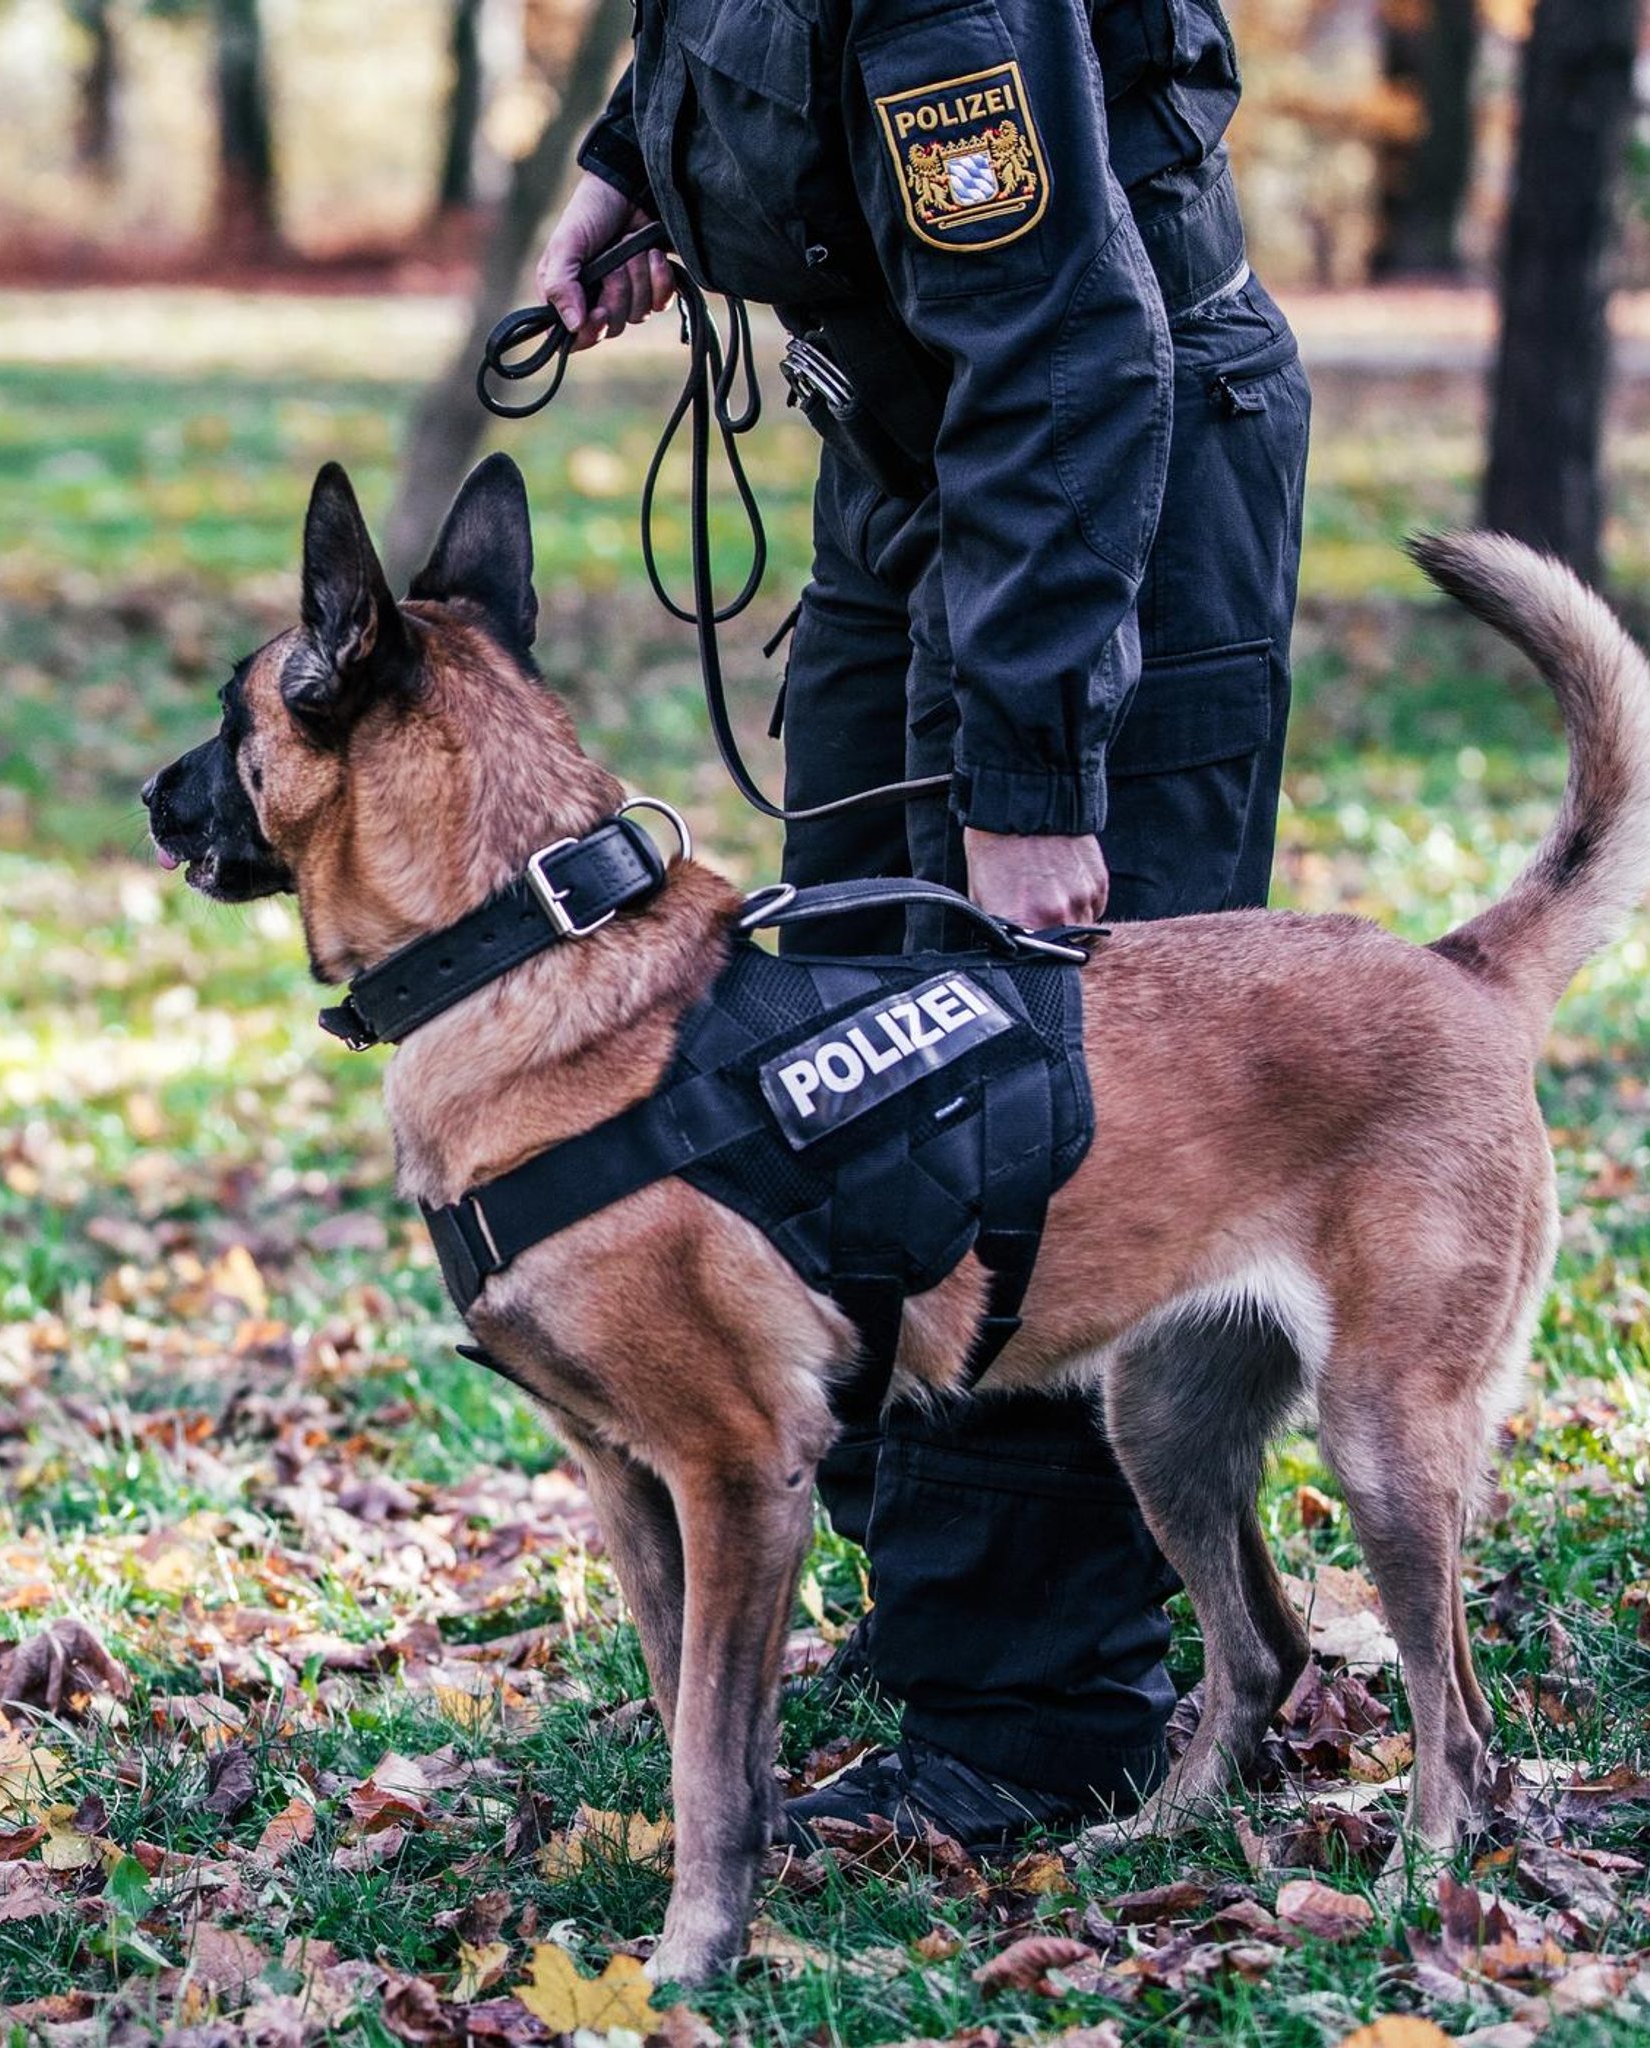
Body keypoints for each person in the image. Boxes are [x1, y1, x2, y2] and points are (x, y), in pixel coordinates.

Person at [535, 0, 1310, 1846]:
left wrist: (1036, 775)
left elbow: (1063, 339)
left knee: (1022, 1104)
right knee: (856, 1073)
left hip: (1100, 483)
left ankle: (1047, 1716)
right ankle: (947, 1630)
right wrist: (631, 170)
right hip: (912, 456)